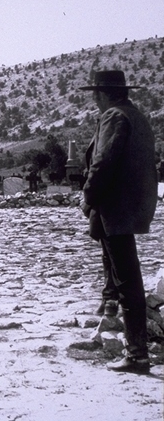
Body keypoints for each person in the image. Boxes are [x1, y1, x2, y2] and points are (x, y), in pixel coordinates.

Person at [79, 70, 157, 374]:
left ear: (104, 94)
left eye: (95, 94)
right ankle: (113, 314)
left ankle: (137, 355)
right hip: (131, 206)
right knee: (122, 273)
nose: (93, 99)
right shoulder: (136, 115)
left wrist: (88, 195)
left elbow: (103, 162)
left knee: (128, 281)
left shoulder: (114, 116)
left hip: (116, 207)